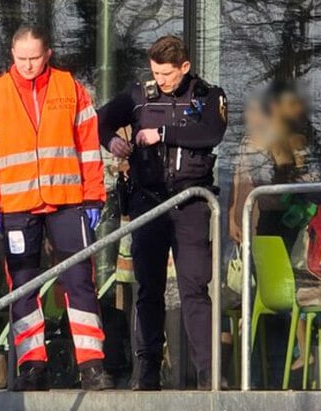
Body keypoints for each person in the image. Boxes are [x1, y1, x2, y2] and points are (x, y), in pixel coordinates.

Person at [0, 25, 110, 391]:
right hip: (16, 205)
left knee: (79, 281)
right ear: (12, 56)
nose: (28, 65)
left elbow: (89, 147)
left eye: (34, 58)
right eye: (21, 59)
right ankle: (32, 365)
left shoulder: (71, 88)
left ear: (47, 54)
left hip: (67, 202)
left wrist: (94, 195)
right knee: (23, 286)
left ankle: (91, 363)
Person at [98, 34, 227, 390]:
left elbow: (211, 133)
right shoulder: (140, 95)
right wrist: (112, 140)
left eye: (167, 74)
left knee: (194, 288)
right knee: (148, 289)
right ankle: (147, 372)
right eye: (155, 73)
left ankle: (209, 374)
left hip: (190, 203)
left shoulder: (207, 95)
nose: (161, 81)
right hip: (149, 201)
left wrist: (162, 133)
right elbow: (102, 119)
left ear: (184, 67)